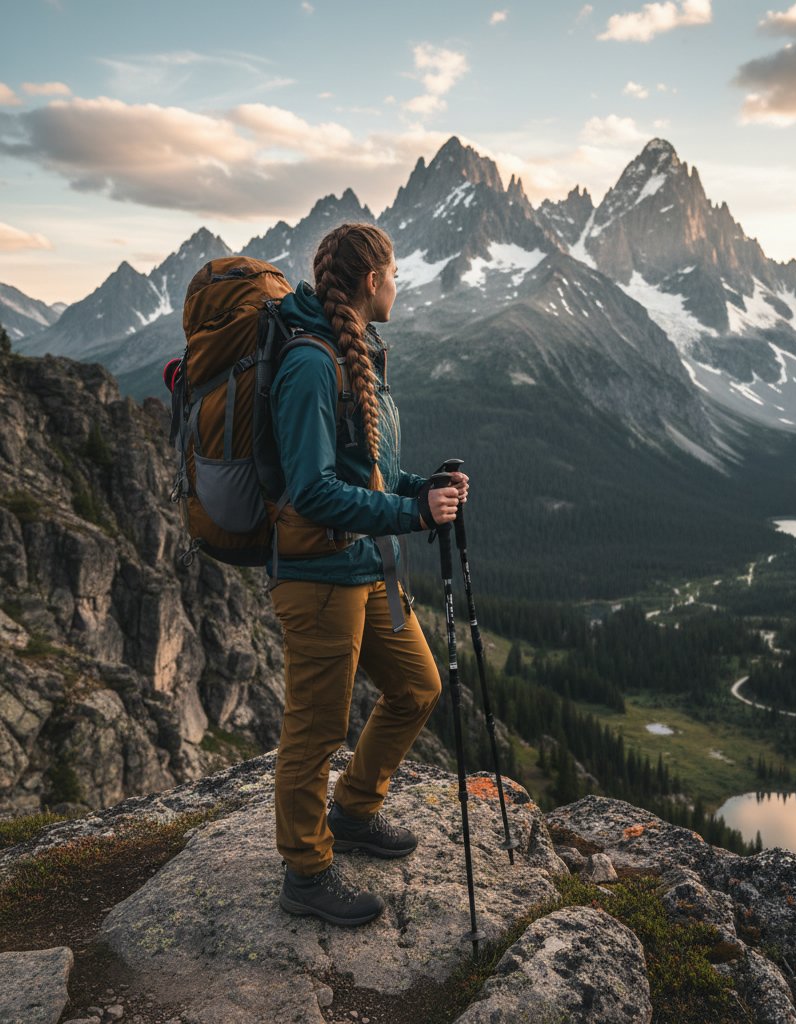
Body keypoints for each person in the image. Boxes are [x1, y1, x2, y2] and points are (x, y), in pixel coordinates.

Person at [270, 222, 468, 927]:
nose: (399, 285)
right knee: (315, 732)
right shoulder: (309, 365)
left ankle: (353, 811)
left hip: (363, 569)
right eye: (394, 273)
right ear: (371, 281)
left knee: (418, 685)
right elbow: (313, 490)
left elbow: (368, 472)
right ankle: (306, 871)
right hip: (319, 576)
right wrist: (413, 514)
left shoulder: (354, 354)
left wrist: (426, 487)